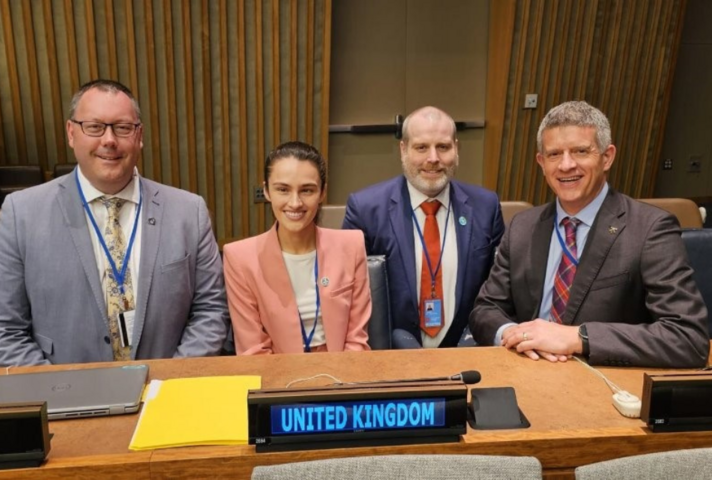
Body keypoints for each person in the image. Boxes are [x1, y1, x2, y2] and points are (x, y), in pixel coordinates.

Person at [0, 79, 229, 366]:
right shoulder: (21, 213)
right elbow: (6, 329)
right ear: (71, 133)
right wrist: (60, 393)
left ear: (139, 135)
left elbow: (211, 312)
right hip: (63, 398)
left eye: (122, 128)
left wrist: (170, 382)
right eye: (94, 127)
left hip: (167, 393)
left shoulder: (188, 212)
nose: (109, 140)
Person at [471, 100, 709, 368]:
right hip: (527, 372)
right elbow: (485, 310)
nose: (566, 165)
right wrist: (514, 335)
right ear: (541, 162)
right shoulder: (522, 227)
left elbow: (687, 338)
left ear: (607, 157)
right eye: (554, 154)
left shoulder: (649, 228)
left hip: (605, 384)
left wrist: (579, 337)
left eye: (581, 151)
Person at [343, 106, 504, 348]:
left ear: (456, 149)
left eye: (443, 147)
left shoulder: (486, 207)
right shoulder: (366, 209)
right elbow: (349, 294)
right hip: (393, 355)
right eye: (421, 147)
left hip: (466, 354)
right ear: (403, 149)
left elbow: (498, 290)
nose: (433, 158)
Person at [223, 141, 371, 354]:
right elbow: (253, 349)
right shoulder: (240, 258)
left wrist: (338, 381)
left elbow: (356, 340)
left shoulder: (351, 245)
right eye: (283, 190)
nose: (295, 203)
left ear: (322, 193)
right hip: (275, 375)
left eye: (307, 191)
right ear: (266, 191)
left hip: (342, 371)